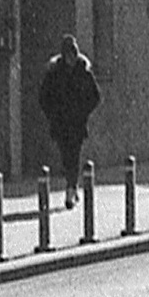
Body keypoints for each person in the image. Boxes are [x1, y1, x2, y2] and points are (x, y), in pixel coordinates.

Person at [37, 34, 101, 208]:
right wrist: (52, 114)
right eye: (67, 55)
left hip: (77, 123)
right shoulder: (54, 72)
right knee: (66, 157)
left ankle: (71, 189)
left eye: (73, 55)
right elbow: (43, 96)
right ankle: (72, 184)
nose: (70, 59)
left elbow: (95, 96)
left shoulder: (83, 70)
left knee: (74, 155)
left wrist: (83, 112)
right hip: (60, 123)